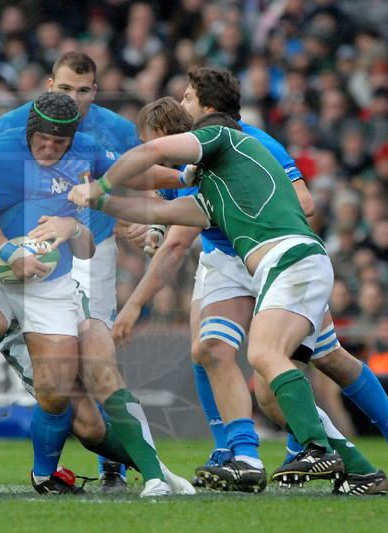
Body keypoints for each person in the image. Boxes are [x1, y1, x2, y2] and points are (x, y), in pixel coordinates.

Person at [116, 68, 388, 494]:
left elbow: (305, 201)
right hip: (226, 260)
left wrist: (135, 301)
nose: (149, 150)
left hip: (275, 255)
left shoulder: (251, 143)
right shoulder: (184, 164)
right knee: (209, 349)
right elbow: (166, 212)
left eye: (187, 98)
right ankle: (237, 452)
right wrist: (149, 225)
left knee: (322, 360)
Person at [0, 53, 190, 496]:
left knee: (70, 395)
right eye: (42, 141)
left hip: (60, 275)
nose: (49, 149)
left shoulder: (94, 143)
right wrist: (5, 249)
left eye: (60, 144)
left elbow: (126, 176)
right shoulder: (0, 144)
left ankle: (98, 471)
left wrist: (186, 174)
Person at [71, 111, 349, 493]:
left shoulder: (226, 142)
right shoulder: (210, 197)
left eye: (190, 97)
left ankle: (321, 447)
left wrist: (100, 184)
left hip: (289, 260)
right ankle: (341, 465)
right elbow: (161, 212)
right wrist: (100, 200)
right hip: (275, 267)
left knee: (277, 358)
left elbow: (153, 154)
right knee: (228, 358)